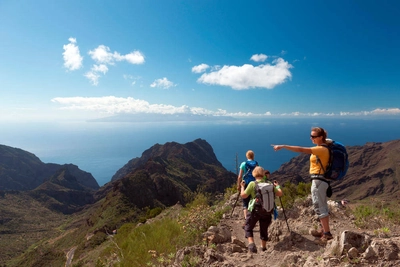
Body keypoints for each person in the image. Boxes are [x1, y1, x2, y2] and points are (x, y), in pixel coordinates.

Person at [272, 126, 333, 244]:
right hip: (321, 181)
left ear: (321, 137)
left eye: (314, 136)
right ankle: (323, 230)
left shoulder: (321, 149)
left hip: (319, 181)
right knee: (321, 205)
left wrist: (283, 146)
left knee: (320, 206)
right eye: (311, 136)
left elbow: (300, 149)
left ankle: (327, 234)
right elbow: (329, 141)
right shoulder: (325, 146)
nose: (311, 138)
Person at [240, 166, 283, 253]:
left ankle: (251, 245)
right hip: (267, 210)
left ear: (254, 174)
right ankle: (263, 247)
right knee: (264, 229)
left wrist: (242, 187)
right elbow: (279, 194)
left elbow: (243, 195)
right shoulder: (270, 184)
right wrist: (277, 186)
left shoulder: (253, 184)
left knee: (248, 227)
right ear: (263, 174)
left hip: (255, 210)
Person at [237, 150, 258, 220]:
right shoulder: (256, 164)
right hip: (254, 184)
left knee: (245, 202)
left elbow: (239, 176)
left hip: (245, 184)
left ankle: (247, 220)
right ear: (253, 156)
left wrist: (239, 185)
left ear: (247, 156)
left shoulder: (243, 164)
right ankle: (253, 217)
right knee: (253, 200)